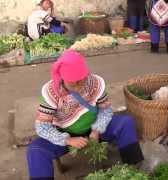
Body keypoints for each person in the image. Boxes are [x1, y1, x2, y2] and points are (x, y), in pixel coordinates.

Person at [26, 50, 144, 179]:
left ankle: (134, 170)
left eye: (81, 81)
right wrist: (67, 140)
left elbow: (106, 109)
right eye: (73, 83)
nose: (78, 87)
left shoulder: (94, 83)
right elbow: (42, 127)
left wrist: (97, 130)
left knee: (126, 123)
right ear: (63, 78)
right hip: (65, 135)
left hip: (95, 128)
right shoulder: (52, 93)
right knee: (35, 151)